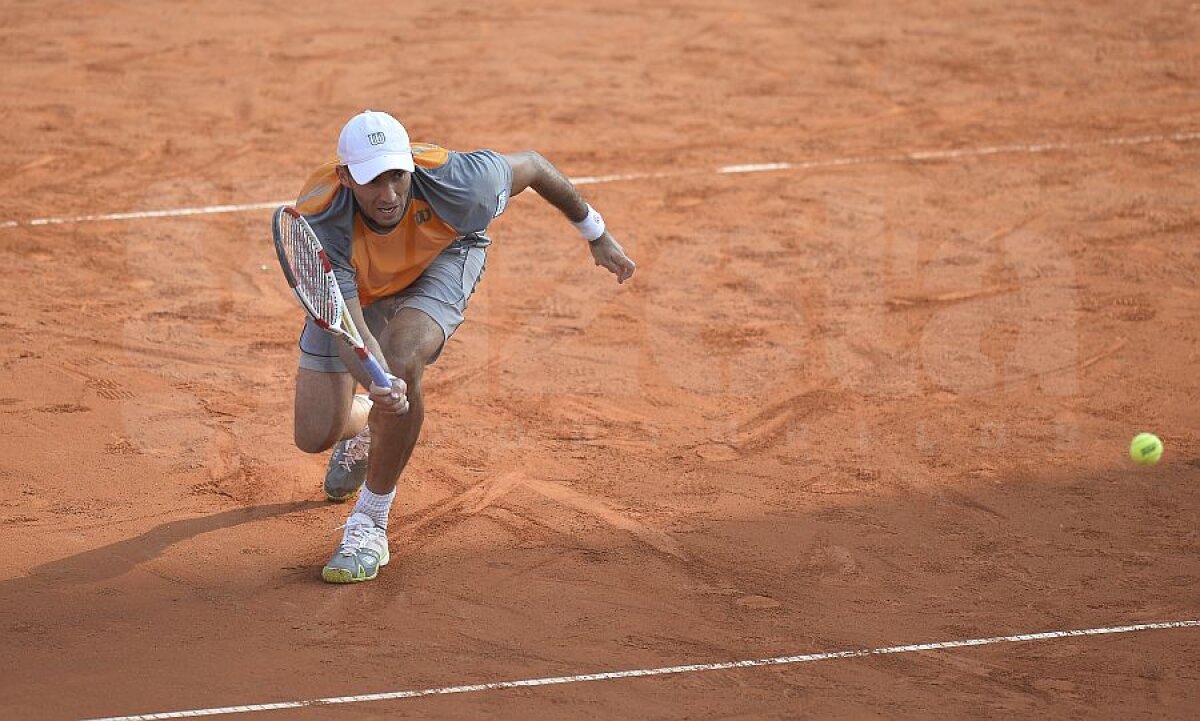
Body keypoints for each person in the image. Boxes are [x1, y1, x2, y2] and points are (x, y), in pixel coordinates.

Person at [290, 110, 636, 583]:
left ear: (409, 164)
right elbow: (350, 329)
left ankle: (369, 523)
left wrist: (596, 233)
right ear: (347, 177)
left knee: (403, 357)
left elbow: (533, 166)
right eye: (374, 181)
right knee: (314, 435)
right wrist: (377, 383)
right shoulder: (319, 220)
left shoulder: (461, 182)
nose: (389, 194)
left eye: (397, 175)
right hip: (360, 292)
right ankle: (367, 422)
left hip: (442, 257)